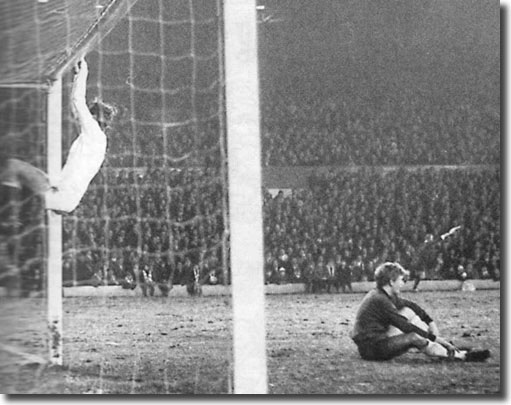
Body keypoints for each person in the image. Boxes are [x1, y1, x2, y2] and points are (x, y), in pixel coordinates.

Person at [1, 57, 117, 214]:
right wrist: (76, 77)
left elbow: (78, 101)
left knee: (12, 166)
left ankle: (10, 219)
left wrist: (83, 72)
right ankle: (15, 214)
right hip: (65, 197)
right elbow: (76, 109)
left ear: (94, 116)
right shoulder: (96, 140)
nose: (80, 117)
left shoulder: (94, 132)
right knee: (18, 176)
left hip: (62, 196)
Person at [351, 261, 490, 362]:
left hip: (373, 342)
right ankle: (460, 356)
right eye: (401, 280)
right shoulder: (380, 299)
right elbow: (405, 327)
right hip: (372, 349)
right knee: (413, 336)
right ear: (391, 281)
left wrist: (430, 322)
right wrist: (437, 338)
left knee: (408, 311)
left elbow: (411, 305)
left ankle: (444, 349)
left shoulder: (382, 294)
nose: (403, 283)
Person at [411, 226, 461, 291]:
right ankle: (414, 286)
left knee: (421, 274)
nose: (431, 240)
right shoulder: (427, 244)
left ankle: (415, 286)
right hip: (422, 261)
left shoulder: (428, 244)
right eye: (430, 238)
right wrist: (449, 233)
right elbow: (441, 238)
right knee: (420, 275)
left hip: (427, 261)